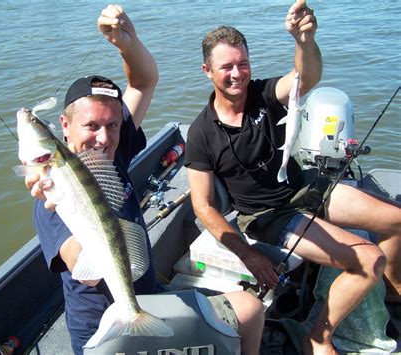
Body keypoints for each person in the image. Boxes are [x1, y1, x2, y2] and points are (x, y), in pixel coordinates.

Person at [26, 5, 264, 354]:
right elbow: (86, 271)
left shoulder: (112, 154)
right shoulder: (48, 199)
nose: (104, 137)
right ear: (64, 125)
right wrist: (61, 197)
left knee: (252, 308)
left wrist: (126, 42)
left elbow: (143, 80)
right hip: (105, 328)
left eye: (112, 124)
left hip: (151, 302)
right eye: (91, 126)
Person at [184, 1, 401, 354]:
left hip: (307, 188)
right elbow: (203, 206)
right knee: (367, 259)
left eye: (243, 63)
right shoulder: (200, 134)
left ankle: (391, 291)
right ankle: (317, 337)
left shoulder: (264, 95)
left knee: (397, 219)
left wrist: (304, 41)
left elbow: (306, 78)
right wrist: (247, 255)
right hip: (271, 216)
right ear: (206, 70)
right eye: (227, 67)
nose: (237, 73)